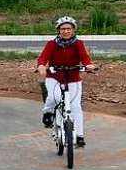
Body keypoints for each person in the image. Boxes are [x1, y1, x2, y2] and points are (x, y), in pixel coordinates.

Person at [37, 16, 95, 148]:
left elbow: (85, 58)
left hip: (73, 78)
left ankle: (79, 136)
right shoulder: (51, 44)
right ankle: (47, 112)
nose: (66, 31)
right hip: (54, 77)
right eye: (63, 29)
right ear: (58, 30)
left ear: (73, 30)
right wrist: (41, 66)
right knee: (54, 97)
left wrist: (89, 65)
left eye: (69, 28)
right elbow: (43, 58)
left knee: (75, 107)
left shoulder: (78, 44)